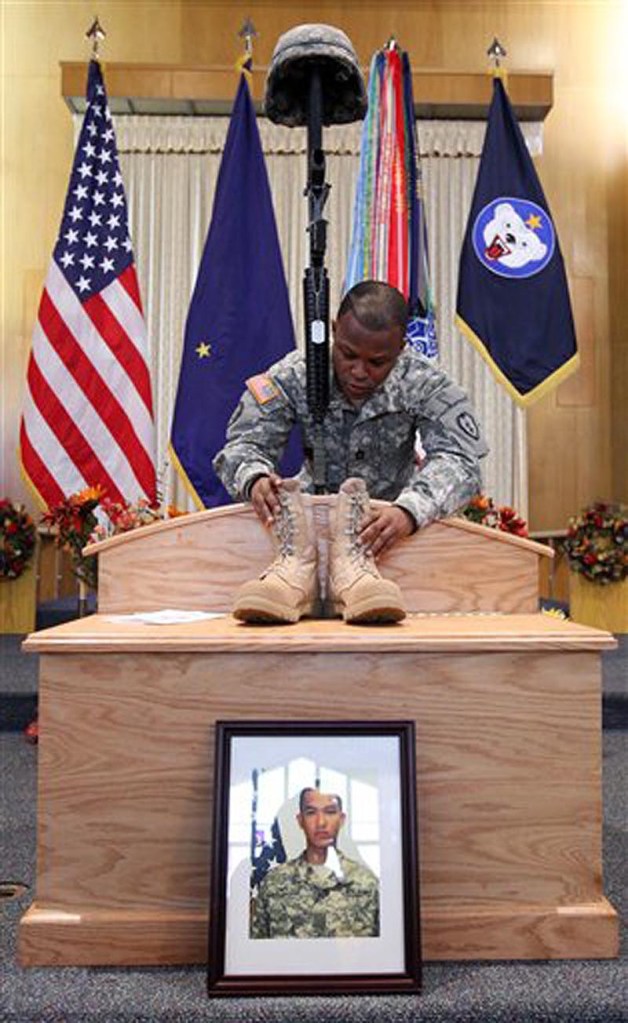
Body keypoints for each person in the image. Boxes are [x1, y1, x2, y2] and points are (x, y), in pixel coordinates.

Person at [214, 280, 487, 623]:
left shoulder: (425, 382)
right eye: (347, 354)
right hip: (306, 539)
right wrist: (253, 478)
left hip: (387, 538)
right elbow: (242, 445)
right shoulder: (297, 373)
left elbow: (461, 462)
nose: (359, 371)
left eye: (377, 362)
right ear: (333, 331)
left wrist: (411, 511)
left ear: (401, 348)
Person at [250, 787, 380, 939]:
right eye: (311, 813)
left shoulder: (366, 883)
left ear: (342, 819)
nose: (321, 822)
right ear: (300, 820)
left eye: (330, 812)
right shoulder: (274, 883)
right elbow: (258, 950)